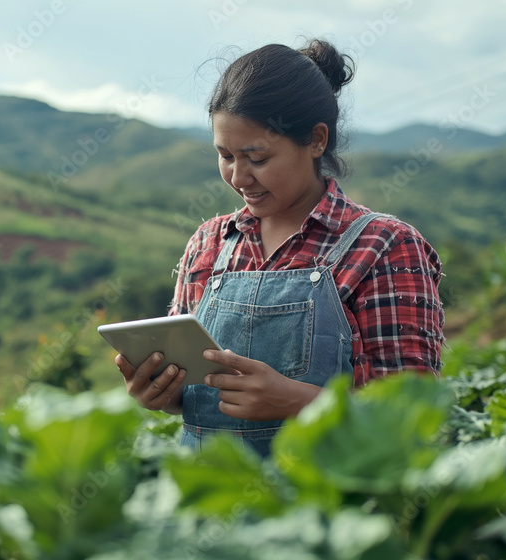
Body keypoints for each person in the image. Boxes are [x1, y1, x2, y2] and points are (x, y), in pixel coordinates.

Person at [115, 38, 445, 458]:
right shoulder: (208, 244)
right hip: (206, 504)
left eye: (257, 157)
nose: (238, 177)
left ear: (316, 141)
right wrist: (161, 393)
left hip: (332, 507)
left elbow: (411, 415)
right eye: (225, 155)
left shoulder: (385, 247)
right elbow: (196, 393)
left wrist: (300, 403)